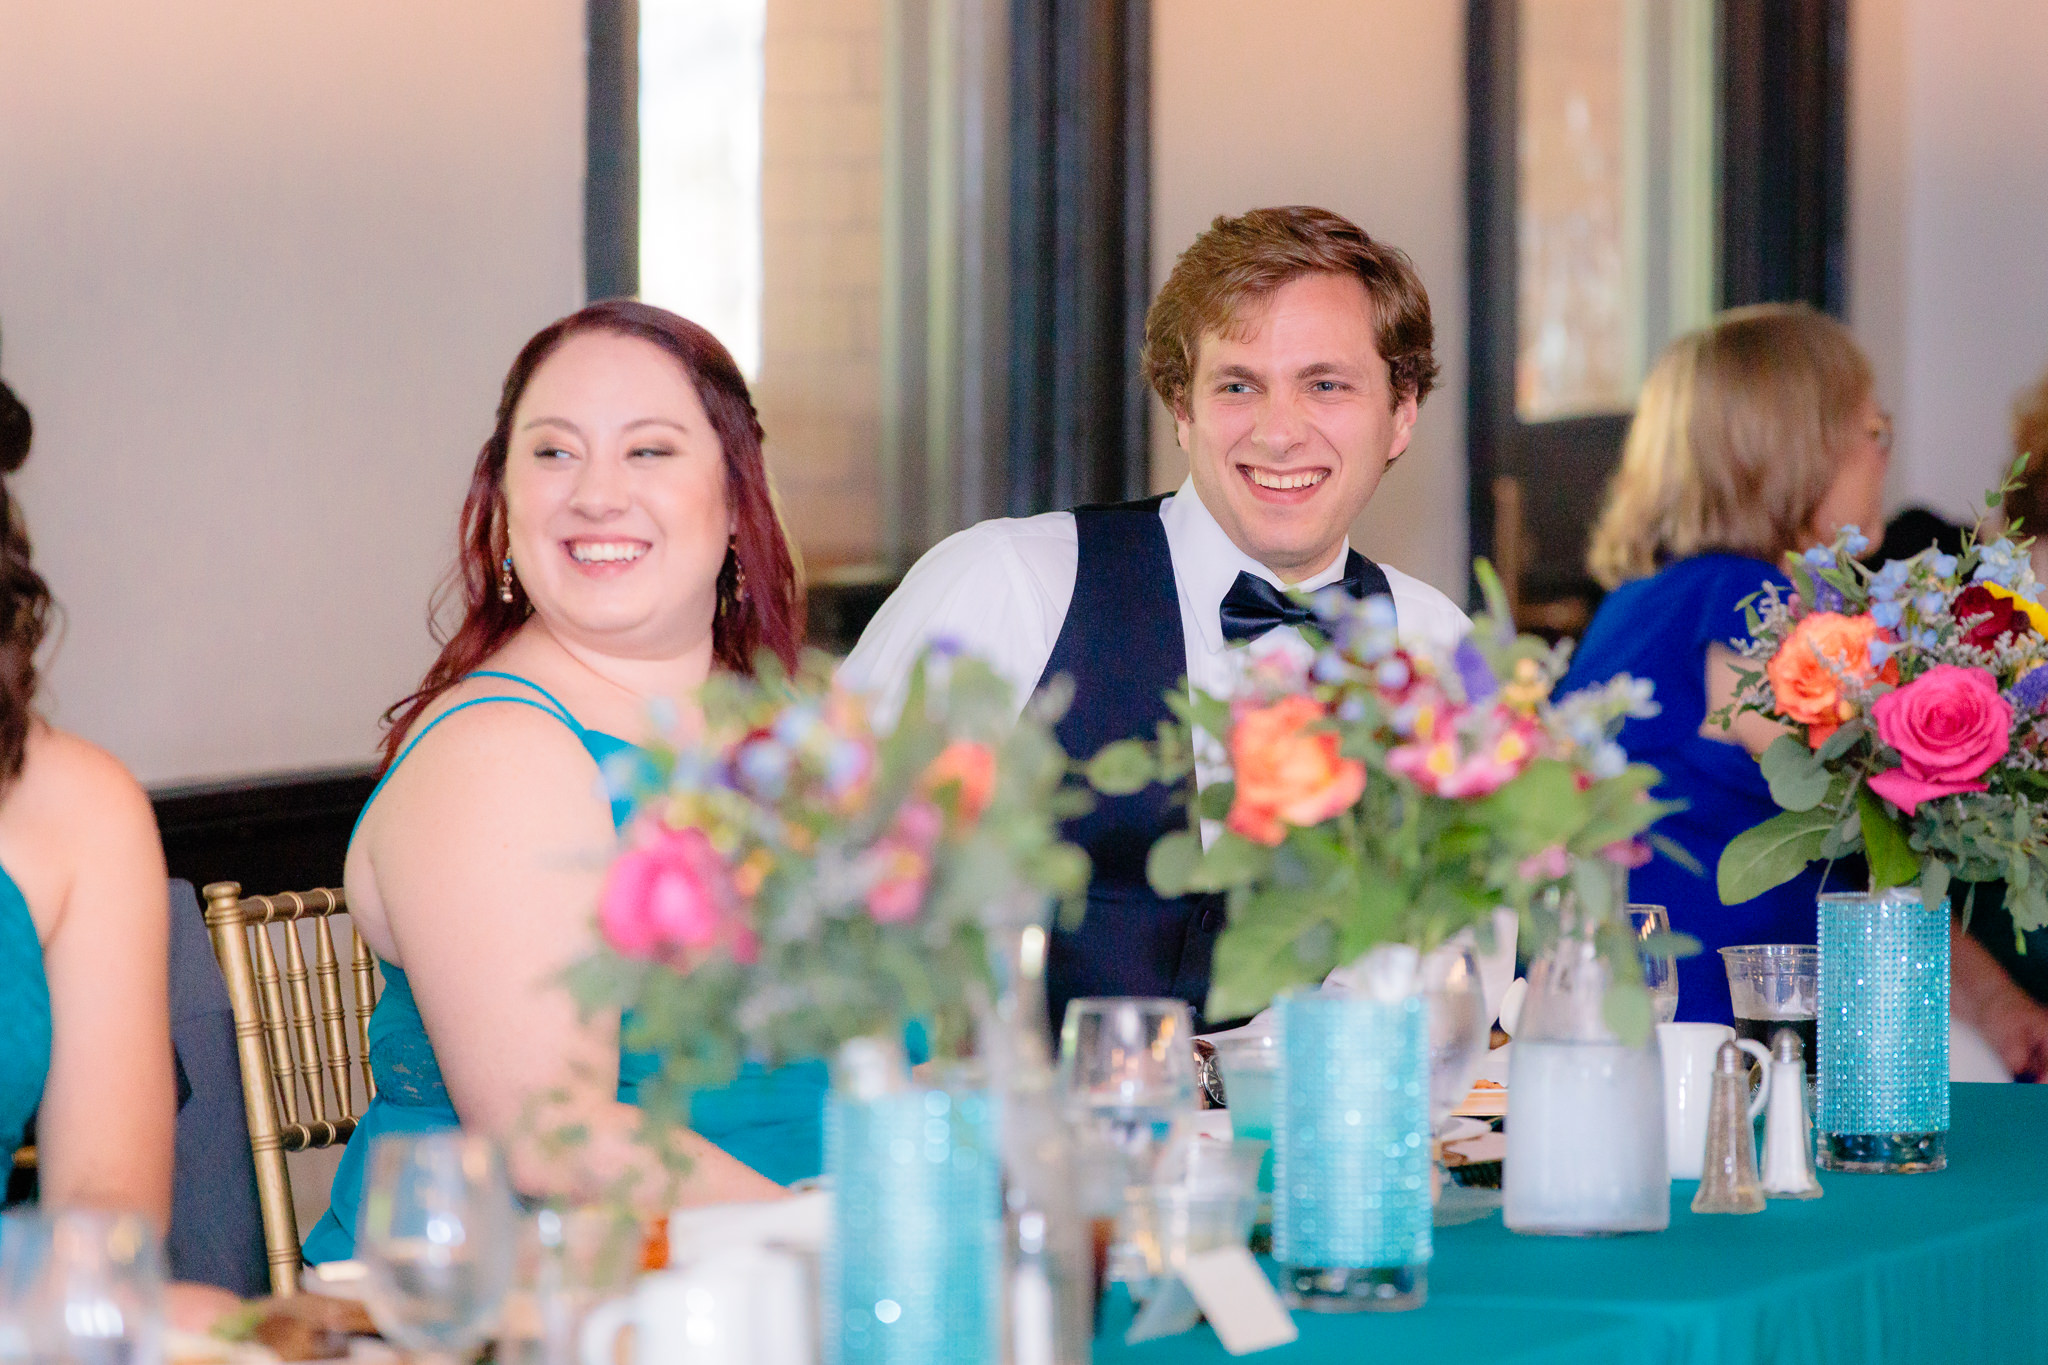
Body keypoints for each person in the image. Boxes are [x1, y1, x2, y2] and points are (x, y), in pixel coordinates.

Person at [841, 206, 1470, 1029]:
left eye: (1326, 384)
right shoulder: (1011, 586)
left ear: (1403, 411)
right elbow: (831, 902)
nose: (1280, 432)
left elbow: (1457, 988)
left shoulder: (1437, 647)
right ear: (1183, 410)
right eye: (1238, 385)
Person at [305, 301, 820, 1261]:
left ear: (737, 497)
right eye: (553, 453)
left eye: (650, 452)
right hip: (532, 1302)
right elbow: (553, 1137)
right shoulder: (497, 752)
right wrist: (842, 1242)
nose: (594, 494)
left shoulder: (785, 733)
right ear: (503, 504)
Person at [1560, 304, 1891, 1027]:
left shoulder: (1640, 601)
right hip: (1708, 1022)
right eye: (1873, 431)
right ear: (1795, 451)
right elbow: (1869, 808)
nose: (1883, 456)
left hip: (1615, 996)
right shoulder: (1744, 601)